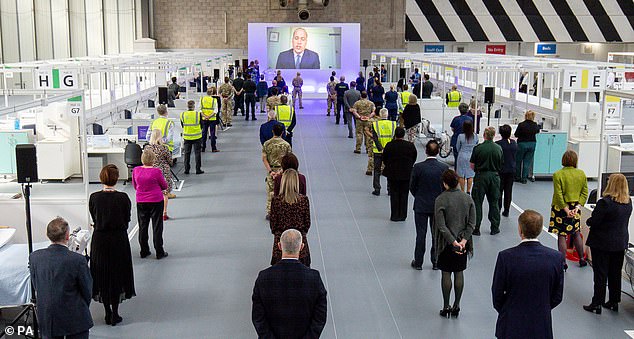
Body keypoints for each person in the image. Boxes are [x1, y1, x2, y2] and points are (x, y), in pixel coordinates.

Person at [492, 210, 565, 339]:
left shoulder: (506, 257)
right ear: (540, 230)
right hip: (541, 325)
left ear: (520, 230)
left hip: (511, 325)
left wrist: (508, 310)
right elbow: (557, 296)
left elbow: (497, 294)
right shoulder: (555, 258)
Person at [252, 229, 327, 338]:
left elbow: (258, 317)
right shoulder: (314, 278)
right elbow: (320, 317)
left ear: (279, 246)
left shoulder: (264, 277)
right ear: (301, 247)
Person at [29, 217, 93, 339]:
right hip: (75, 317)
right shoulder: (77, 260)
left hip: (48, 318)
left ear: (48, 235)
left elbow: (36, 284)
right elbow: (87, 289)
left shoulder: (34, 257)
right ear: (68, 236)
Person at [89, 165, 135, 326]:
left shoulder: (94, 197)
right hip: (119, 240)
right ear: (116, 179)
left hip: (100, 240)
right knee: (117, 273)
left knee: (102, 273)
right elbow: (127, 219)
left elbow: (94, 217)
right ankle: (115, 312)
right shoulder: (123, 198)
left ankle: (107, 311)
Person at [584, 173, 633, 314]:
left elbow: (595, 221)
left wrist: (588, 222)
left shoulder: (605, 203)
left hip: (602, 243)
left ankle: (597, 303)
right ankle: (613, 301)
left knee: (600, 274)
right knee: (615, 273)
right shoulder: (628, 202)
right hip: (620, 242)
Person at [434, 169, 475, 318]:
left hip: (446, 244)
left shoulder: (440, 200)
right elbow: (472, 223)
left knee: (446, 273)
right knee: (459, 273)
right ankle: (457, 305)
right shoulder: (467, 199)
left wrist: (452, 242)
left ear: (445, 184)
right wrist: (462, 241)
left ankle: (446, 306)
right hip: (463, 244)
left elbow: (441, 225)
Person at [410, 140, 449, 270]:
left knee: (421, 234)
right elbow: (446, 188)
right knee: (436, 235)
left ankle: (419, 262)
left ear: (426, 151)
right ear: (438, 151)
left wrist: (419, 196)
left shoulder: (418, 167)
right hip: (437, 206)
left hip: (421, 205)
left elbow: (412, 187)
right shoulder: (443, 168)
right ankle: (436, 261)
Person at [549, 150, 588, 270]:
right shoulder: (581, 174)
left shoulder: (557, 174)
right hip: (575, 207)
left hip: (560, 208)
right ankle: (581, 259)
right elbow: (584, 192)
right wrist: (577, 207)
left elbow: (559, 194)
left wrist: (566, 210)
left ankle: (563, 262)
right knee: (576, 232)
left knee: (562, 234)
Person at [270, 169, 312, 266]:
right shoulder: (304, 200)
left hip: (280, 247)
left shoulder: (276, 201)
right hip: (300, 245)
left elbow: (273, 225)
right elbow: (307, 224)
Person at [133, 149, 169, 259]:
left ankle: (144, 250)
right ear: (153, 159)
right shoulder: (156, 171)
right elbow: (164, 186)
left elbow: (135, 186)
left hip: (141, 201)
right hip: (156, 201)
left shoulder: (136, 170)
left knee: (143, 226)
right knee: (157, 226)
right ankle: (159, 251)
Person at [470, 126, 503, 236]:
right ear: (494, 135)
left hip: (481, 177)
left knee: (478, 202)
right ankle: (495, 227)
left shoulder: (478, 148)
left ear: (484, 135)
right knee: (494, 203)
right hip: (494, 177)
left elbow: (472, 165)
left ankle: (476, 228)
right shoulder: (498, 148)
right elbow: (501, 164)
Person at [382, 127, 418, 221]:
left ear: (395, 134)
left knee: (394, 193)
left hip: (392, 173)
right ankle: (402, 215)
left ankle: (394, 215)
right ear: (403, 135)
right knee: (404, 194)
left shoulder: (389, 145)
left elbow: (384, 158)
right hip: (406, 173)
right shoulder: (410, 146)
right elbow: (414, 157)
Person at [262, 124, 292, 219]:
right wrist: (281, 171)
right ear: (282, 132)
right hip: (283, 171)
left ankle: (270, 212)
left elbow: (264, 159)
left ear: (272, 132)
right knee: (283, 191)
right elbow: (289, 159)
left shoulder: (267, 144)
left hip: (271, 170)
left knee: (271, 191)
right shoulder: (286, 145)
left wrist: (271, 171)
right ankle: (283, 211)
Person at [147, 130, 175, 219]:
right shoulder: (164, 148)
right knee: (165, 193)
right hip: (163, 172)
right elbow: (171, 162)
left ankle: (152, 212)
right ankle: (164, 213)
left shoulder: (147, 148)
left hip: (151, 172)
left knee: (152, 193)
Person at [370, 109, 397, 196]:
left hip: (377, 151)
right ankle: (389, 189)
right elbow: (394, 138)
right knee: (390, 170)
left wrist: (380, 148)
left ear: (380, 115)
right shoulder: (393, 124)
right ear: (387, 114)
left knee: (377, 170)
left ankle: (377, 189)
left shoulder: (375, 124)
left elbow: (375, 138)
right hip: (390, 151)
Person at [350, 91, 376, 175]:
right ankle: (368, 148)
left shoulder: (357, 103)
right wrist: (368, 117)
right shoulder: (371, 103)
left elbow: (354, 111)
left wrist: (360, 117)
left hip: (359, 120)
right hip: (368, 120)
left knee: (359, 134)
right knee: (368, 134)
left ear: (361, 96)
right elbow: (373, 112)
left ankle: (358, 148)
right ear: (367, 96)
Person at [496, 125, 517, 217]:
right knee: (508, 191)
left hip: (501, 170)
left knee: (499, 190)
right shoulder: (514, 143)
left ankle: (498, 207)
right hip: (511, 170)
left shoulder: (498, 144)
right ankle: (507, 210)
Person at [514, 110, 541, 183]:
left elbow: (516, 134)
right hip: (532, 144)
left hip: (522, 144)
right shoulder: (535, 125)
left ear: (526, 116)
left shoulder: (521, 125)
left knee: (518, 161)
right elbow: (538, 131)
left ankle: (517, 177)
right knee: (527, 162)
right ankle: (524, 179)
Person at [180, 100, 204, 175]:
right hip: (197, 136)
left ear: (187, 106)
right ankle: (198, 169)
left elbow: (182, 125)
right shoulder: (198, 114)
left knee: (187, 154)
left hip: (187, 136)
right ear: (194, 106)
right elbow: (202, 124)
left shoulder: (182, 114)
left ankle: (186, 169)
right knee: (197, 153)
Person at [456, 120, 478, 194]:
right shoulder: (475, 136)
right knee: (470, 174)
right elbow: (476, 145)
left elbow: (457, 147)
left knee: (461, 174)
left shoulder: (460, 136)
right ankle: (468, 190)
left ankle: (462, 191)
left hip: (462, 155)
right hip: (471, 156)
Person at [200, 88, 220, 153]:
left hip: (204, 119)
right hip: (212, 119)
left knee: (204, 133)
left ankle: (203, 147)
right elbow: (215, 111)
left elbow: (199, 110)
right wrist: (209, 116)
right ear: (211, 93)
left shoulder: (202, 99)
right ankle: (213, 148)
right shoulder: (214, 100)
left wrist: (205, 116)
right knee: (212, 133)